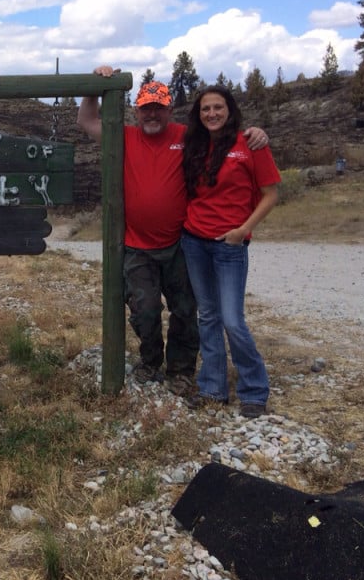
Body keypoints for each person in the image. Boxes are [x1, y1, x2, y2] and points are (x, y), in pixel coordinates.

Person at [77, 67, 268, 397]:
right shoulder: (123, 135)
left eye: (159, 107)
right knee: (145, 309)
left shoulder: (186, 136)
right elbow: (86, 122)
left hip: (181, 243)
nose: (152, 113)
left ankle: (180, 370)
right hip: (137, 247)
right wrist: (94, 86)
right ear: (136, 110)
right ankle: (150, 360)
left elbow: (225, 134)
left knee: (186, 310)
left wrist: (256, 134)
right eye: (146, 107)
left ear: (169, 110)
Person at [179, 86, 280, 419]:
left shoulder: (249, 144)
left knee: (233, 320)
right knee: (207, 316)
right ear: (198, 113)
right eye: (205, 108)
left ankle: (254, 389)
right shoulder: (193, 144)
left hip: (230, 245)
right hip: (194, 241)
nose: (211, 114)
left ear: (230, 109)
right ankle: (212, 388)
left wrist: (242, 230)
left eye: (218, 107)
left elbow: (270, 194)